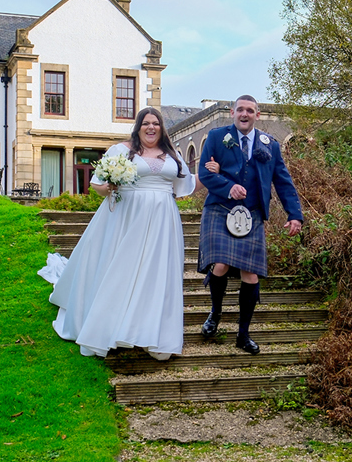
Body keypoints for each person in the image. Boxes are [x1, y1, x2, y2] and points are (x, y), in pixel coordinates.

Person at [38, 107, 219, 360]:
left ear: (161, 127)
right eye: (146, 123)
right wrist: (110, 185)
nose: (151, 127)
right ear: (138, 126)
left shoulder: (172, 154)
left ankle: (152, 335)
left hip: (163, 220)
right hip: (128, 217)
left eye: (156, 123)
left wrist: (211, 174)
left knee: (157, 273)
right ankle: (109, 327)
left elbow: (185, 186)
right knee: (122, 269)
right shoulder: (120, 150)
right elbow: (98, 185)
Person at [197, 95, 303, 355]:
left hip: (251, 213)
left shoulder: (270, 144)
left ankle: (243, 334)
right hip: (220, 209)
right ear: (233, 112)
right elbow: (204, 173)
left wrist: (295, 214)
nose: (244, 114)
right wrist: (228, 186)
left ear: (258, 114)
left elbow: (283, 181)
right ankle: (215, 313)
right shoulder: (216, 137)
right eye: (240, 110)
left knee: (251, 274)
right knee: (220, 264)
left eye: (250, 110)